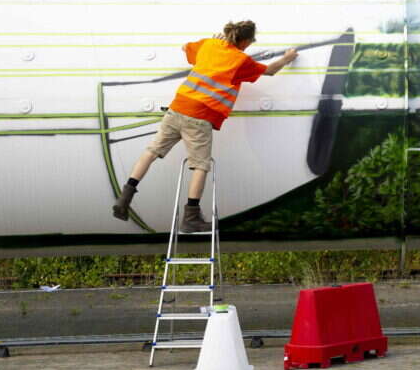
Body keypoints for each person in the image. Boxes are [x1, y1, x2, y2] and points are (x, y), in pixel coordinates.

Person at [111, 20, 298, 232]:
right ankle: (191, 217)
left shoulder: (209, 44)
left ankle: (124, 198)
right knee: (200, 165)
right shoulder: (240, 60)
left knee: (151, 151)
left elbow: (186, 48)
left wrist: (214, 41)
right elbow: (270, 70)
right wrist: (287, 58)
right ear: (246, 41)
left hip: (177, 107)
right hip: (200, 117)